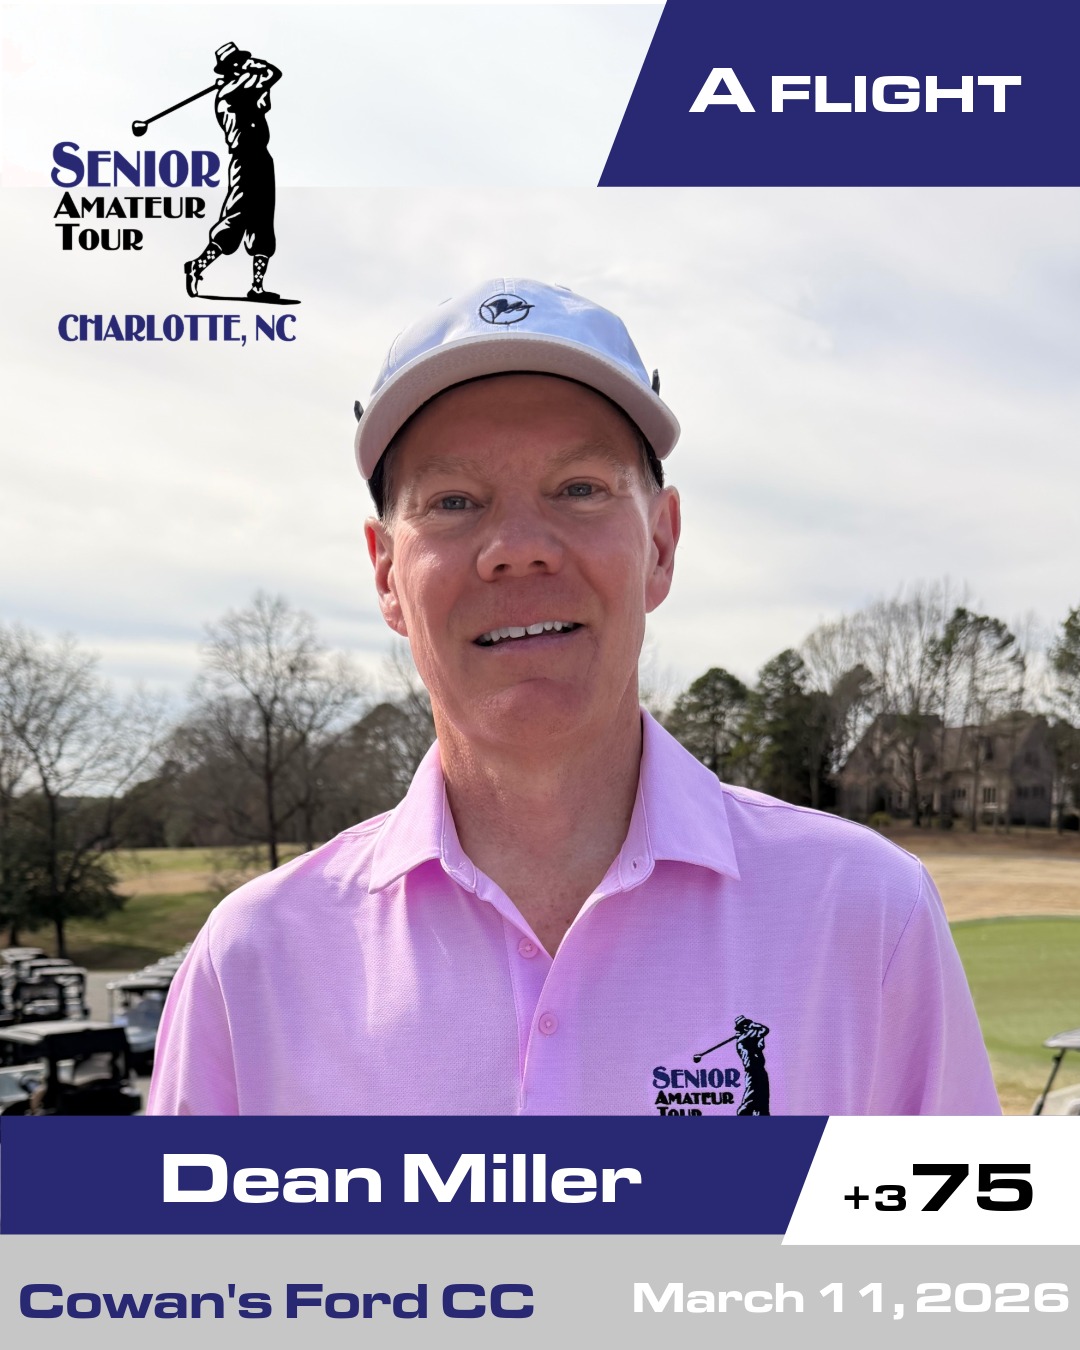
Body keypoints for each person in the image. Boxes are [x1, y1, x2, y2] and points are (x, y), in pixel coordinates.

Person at [147, 277, 1001, 1116]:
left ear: (660, 545)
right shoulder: (250, 966)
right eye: (453, 502)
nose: (519, 547)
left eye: (580, 489)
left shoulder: (867, 915)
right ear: (386, 574)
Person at [184, 42, 281, 302]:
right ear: (229, 68)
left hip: (261, 157)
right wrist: (252, 66)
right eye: (236, 62)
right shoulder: (232, 89)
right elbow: (273, 73)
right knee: (235, 218)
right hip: (245, 159)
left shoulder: (241, 87)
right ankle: (197, 266)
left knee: (263, 221)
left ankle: (257, 287)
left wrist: (255, 79)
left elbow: (263, 102)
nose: (242, 64)